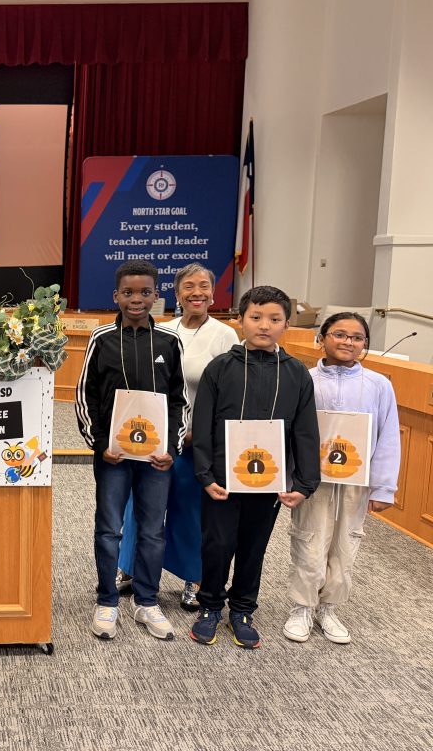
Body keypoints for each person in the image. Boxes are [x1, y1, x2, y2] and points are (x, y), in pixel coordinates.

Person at [191, 285, 320, 649]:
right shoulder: (220, 368)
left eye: (275, 319)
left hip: (269, 482)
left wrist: (305, 481)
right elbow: (203, 425)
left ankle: (243, 608)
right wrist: (205, 474)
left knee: (253, 545)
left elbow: (306, 431)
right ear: (240, 320)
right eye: (256, 317)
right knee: (217, 543)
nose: (264, 325)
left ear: (287, 324)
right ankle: (210, 605)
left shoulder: (296, 373)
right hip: (222, 478)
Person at [75, 259, 188, 642]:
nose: (136, 299)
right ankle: (107, 599)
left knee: (153, 530)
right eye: (128, 293)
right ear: (116, 296)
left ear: (157, 295)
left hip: (157, 459)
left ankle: (147, 600)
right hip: (113, 457)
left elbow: (178, 400)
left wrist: (170, 447)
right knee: (109, 528)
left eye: (144, 292)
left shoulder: (170, 342)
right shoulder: (101, 339)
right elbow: (84, 394)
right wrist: (98, 443)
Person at [116, 264, 238, 610]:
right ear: (177, 294)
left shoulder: (225, 335)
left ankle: (193, 578)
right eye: (188, 286)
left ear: (213, 294)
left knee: (188, 507)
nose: (196, 292)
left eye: (203, 286)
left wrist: (197, 434)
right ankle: (127, 568)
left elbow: (227, 393)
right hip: (154, 436)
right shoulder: (160, 330)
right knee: (138, 505)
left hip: (195, 441)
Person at [283, 312, 400, 645]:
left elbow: (388, 436)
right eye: (339, 334)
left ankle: (329, 607)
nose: (348, 342)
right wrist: (288, 478)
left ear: (365, 344)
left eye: (357, 337)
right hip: (311, 480)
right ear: (321, 338)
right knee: (308, 539)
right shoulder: (305, 379)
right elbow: (290, 431)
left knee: (346, 542)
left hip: (356, 480)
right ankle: (302, 607)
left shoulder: (379, 385)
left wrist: (384, 487)